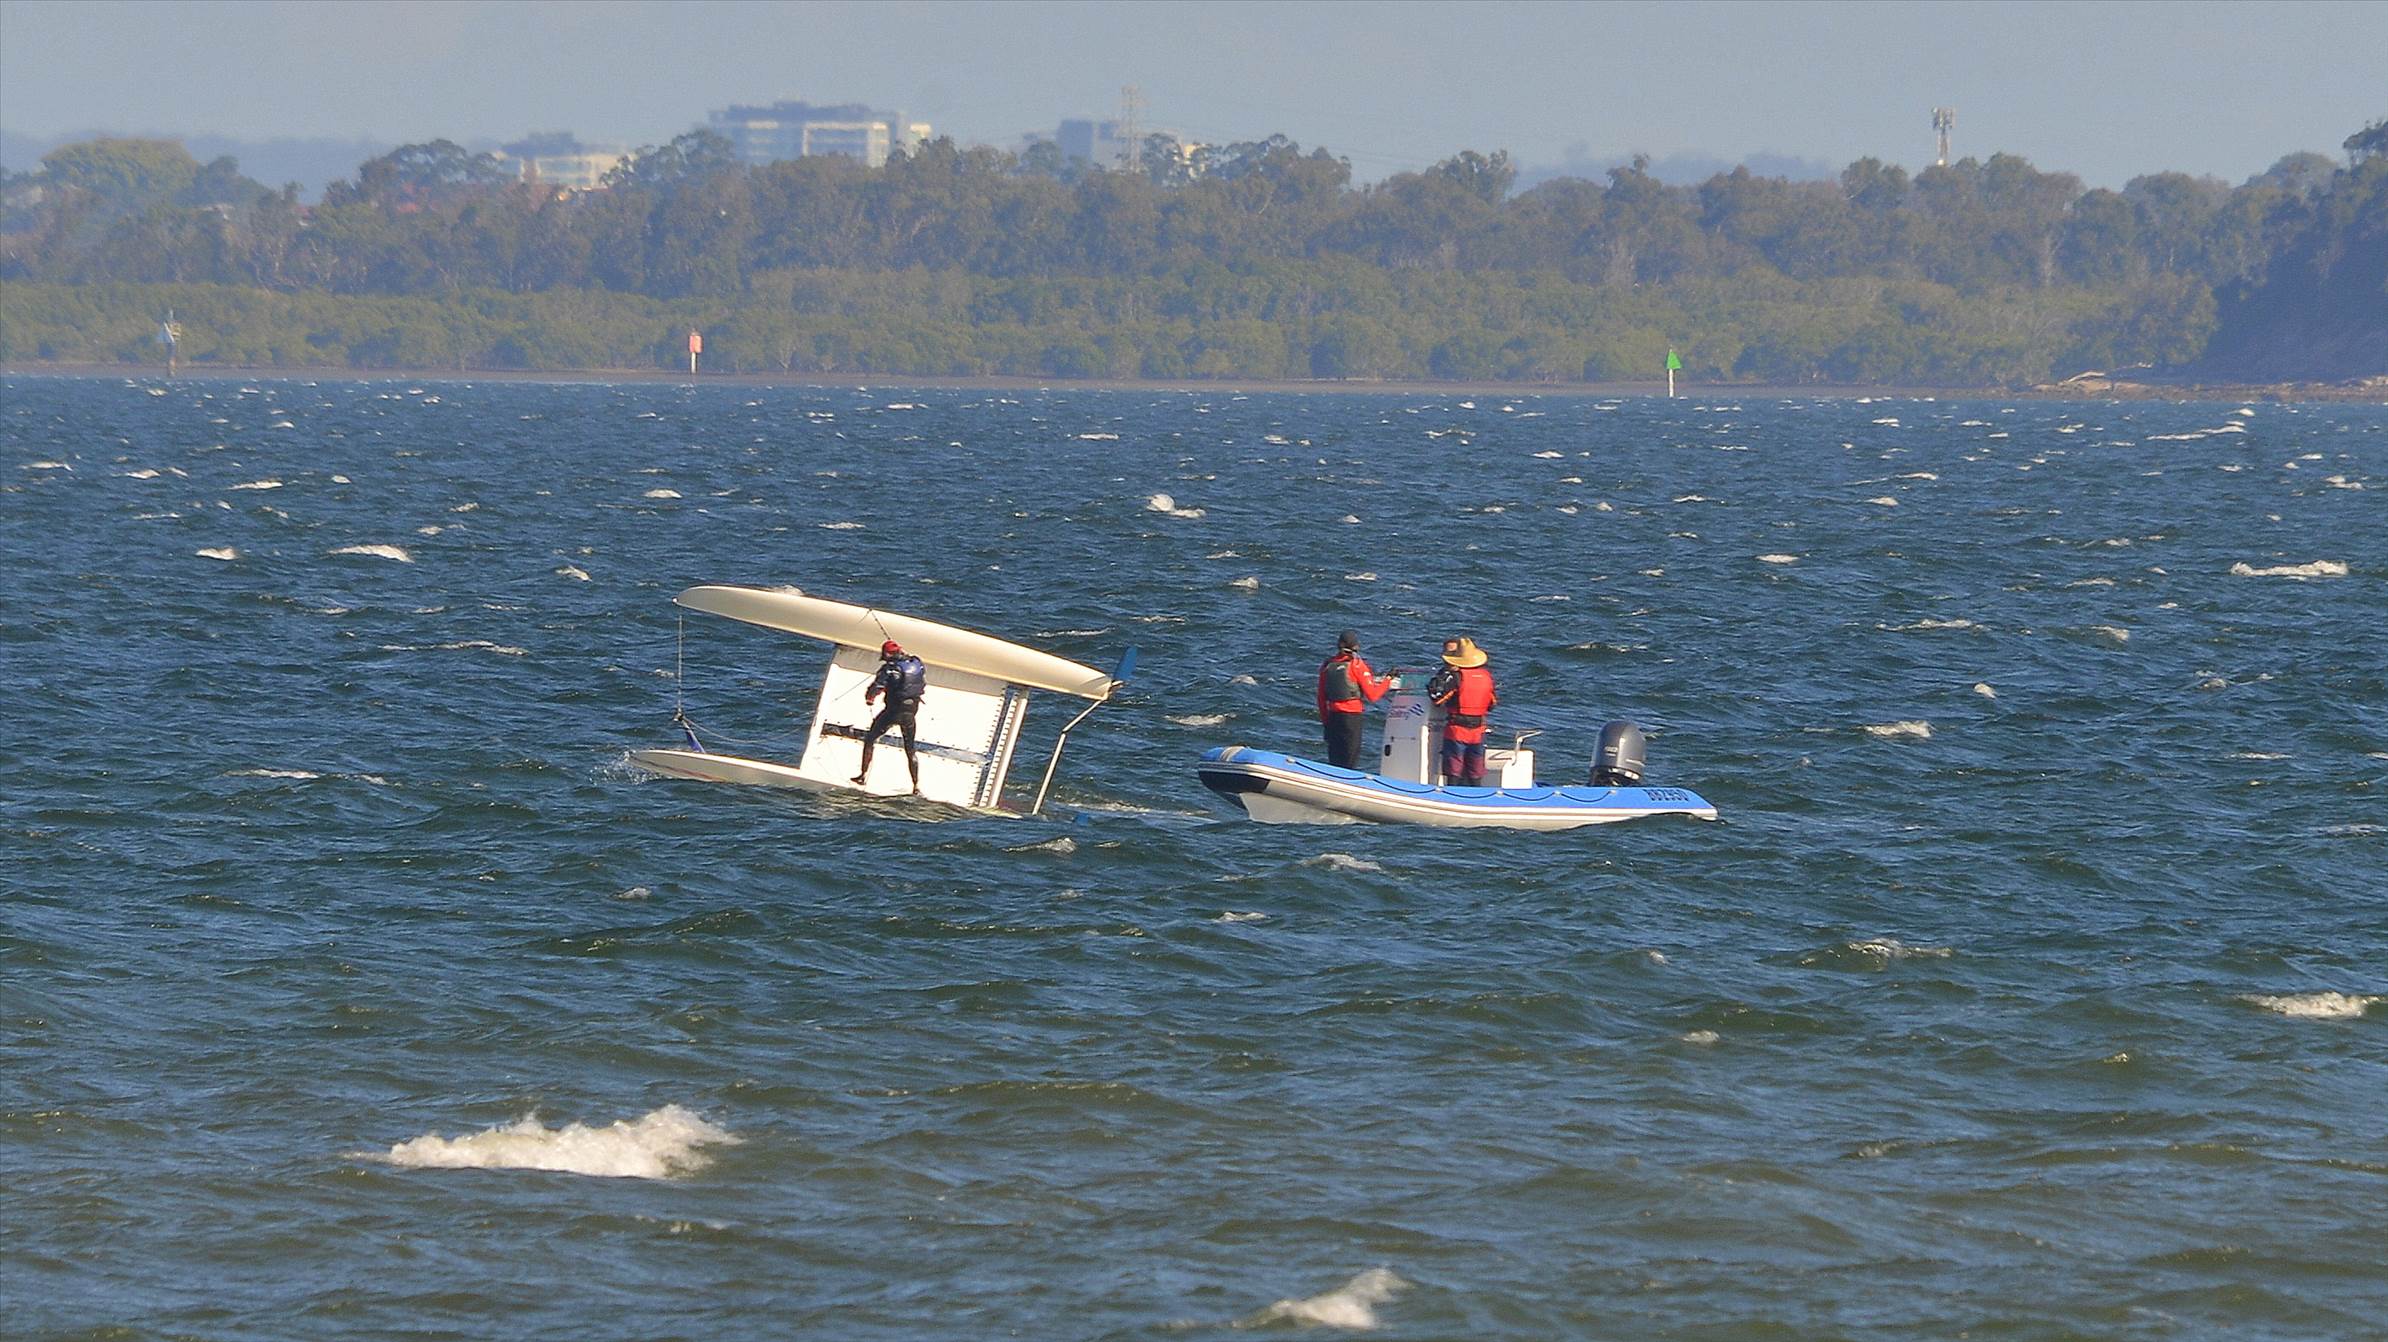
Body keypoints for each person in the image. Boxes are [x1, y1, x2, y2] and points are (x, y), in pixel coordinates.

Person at [853, 639, 927, 793]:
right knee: (910, 749)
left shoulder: (888, 669)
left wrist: (869, 699)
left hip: (893, 711)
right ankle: (916, 786)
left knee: (870, 739)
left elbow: (877, 687)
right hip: (911, 711)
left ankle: (862, 776)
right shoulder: (917, 663)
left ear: (887, 654)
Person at [1315, 629, 1393, 769]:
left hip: (1333, 718)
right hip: (1351, 719)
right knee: (1349, 763)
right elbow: (1373, 695)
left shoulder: (1327, 665)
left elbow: (1321, 698)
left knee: (1334, 763)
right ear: (1355, 646)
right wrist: (1388, 680)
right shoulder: (1357, 666)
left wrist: (1326, 723)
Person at [1426, 636, 1497, 787]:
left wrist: (1433, 685)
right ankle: (1476, 794)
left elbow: (1438, 700)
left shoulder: (1456, 677)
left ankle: (1452, 793)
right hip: (1478, 729)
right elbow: (1492, 704)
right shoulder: (1486, 677)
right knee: (1475, 768)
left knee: (1454, 766)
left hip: (1457, 729)